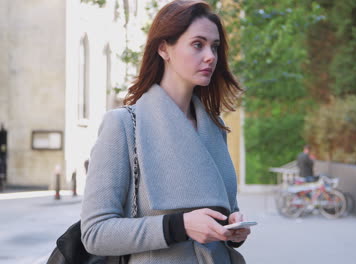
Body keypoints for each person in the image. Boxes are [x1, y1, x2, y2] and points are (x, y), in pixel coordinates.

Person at [80, 1, 250, 263]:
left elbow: (223, 207)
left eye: (214, 47)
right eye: (198, 44)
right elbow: (94, 233)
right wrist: (178, 226)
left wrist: (233, 226)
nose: (210, 56)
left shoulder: (214, 128)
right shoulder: (124, 125)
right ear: (163, 48)